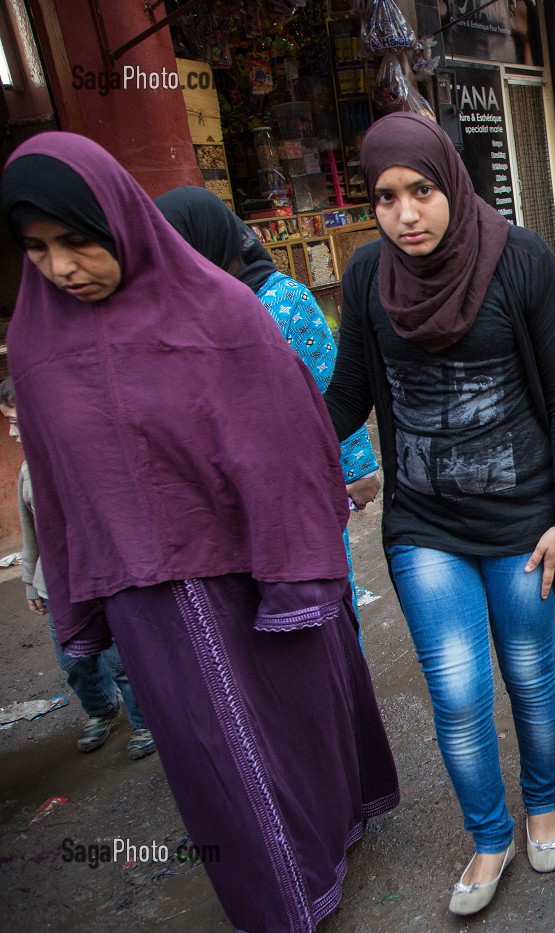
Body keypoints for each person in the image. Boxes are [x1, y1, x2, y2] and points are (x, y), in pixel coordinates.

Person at [1, 132, 400, 933]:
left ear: (120, 221)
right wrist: (78, 595)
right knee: (215, 761)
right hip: (143, 592)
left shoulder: (219, 312)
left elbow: (286, 437)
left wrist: (293, 571)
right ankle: (282, 905)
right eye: (38, 249)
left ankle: (337, 831)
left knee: (296, 719)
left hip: (250, 567)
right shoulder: (37, 346)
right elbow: (58, 484)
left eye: (78, 242)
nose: (61, 266)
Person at [321, 112, 555, 917]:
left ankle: (543, 801)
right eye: (385, 197)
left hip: (527, 523)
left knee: (527, 671)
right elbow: (349, 394)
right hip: (424, 527)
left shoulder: (520, 258)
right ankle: (490, 836)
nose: (406, 213)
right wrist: (269, 433)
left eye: (421, 191)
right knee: (456, 691)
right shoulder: (368, 275)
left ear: (451, 182)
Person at [154, 186, 381, 599]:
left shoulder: (283, 300)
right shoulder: (176, 318)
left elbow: (328, 388)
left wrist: (358, 471)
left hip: (299, 491)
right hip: (223, 507)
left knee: (317, 611)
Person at [2, 378, 154, 760]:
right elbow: (32, 533)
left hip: (103, 581)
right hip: (56, 586)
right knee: (75, 661)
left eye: (16, 422)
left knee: (122, 660)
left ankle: (145, 721)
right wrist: (29, 583)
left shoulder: (90, 459)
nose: (10, 431)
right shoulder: (27, 471)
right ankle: (102, 709)